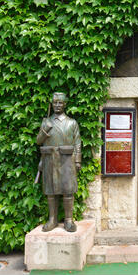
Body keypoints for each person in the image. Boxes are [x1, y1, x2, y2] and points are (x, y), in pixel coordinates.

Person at [36, 92, 81, 232]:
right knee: (51, 191)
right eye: (55, 102)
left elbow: (77, 143)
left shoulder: (71, 123)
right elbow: (38, 141)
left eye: (60, 102)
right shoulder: (46, 122)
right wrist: (44, 131)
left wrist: (78, 161)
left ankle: (68, 220)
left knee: (68, 190)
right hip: (50, 159)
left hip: (67, 159)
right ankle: (52, 219)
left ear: (65, 104)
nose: (57, 105)